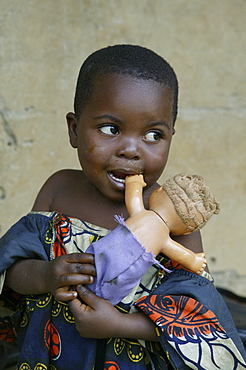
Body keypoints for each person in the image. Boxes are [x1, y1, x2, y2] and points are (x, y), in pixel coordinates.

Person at [0, 44, 245, 369]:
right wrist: (46, 274)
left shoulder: (175, 219)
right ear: (74, 129)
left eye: (153, 135)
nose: (131, 149)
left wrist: (118, 325)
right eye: (110, 129)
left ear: (172, 136)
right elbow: (15, 272)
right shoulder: (59, 189)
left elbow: (199, 318)